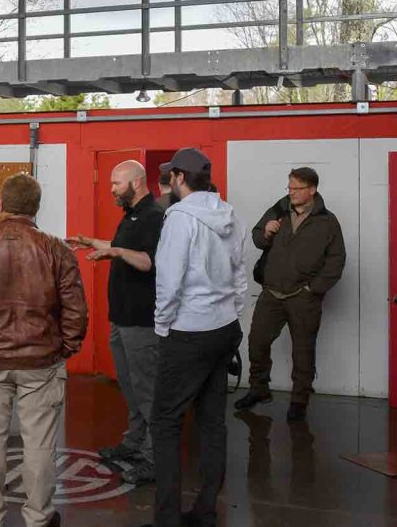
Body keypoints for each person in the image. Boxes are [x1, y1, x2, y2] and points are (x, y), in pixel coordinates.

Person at [0, 174, 88, 527]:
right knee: (39, 444)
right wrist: (65, 347)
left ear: (1, 206)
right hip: (42, 361)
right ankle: (39, 518)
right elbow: (76, 310)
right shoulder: (57, 249)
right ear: (36, 208)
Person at [142, 148, 247, 527]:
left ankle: (167, 517)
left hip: (188, 331)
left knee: (166, 421)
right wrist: (233, 315)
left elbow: (168, 282)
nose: (168, 181)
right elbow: (239, 273)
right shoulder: (229, 213)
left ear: (180, 179)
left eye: (171, 175)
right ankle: (205, 510)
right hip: (223, 329)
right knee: (212, 420)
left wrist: (162, 328)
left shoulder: (178, 219)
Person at [67, 160, 163, 485]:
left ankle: (155, 458)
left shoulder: (153, 217)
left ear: (136, 183)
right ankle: (134, 443)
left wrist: (118, 253)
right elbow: (123, 248)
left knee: (147, 389)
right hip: (121, 319)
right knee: (130, 386)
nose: (111, 190)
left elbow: (148, 260)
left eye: (116, 184)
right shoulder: (132, 215)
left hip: (141, 320)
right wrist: (94, 243)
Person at [235, 167, 346, 422]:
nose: (292, 193)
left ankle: (299, 401)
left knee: (303, 351)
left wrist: (313, 289)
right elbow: (256, 238)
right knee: (257, 342)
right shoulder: (278, 210)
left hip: (303, 297)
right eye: (290, 187)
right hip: (272, 293)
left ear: (312, 190)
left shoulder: (328, 222)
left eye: (297, 188)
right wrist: (266, 232)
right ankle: (259, 389)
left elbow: (337, 260)